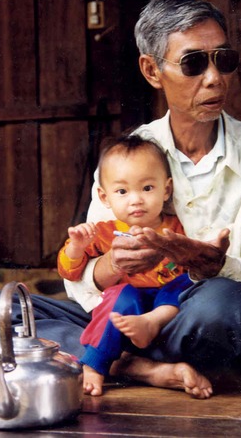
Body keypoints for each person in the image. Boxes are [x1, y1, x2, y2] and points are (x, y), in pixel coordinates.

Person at [0, 0, 241, 396]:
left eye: (224, 60)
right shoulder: (127, 155)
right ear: (151, 70)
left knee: (223, 303)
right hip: (128, 317)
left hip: (201, 322)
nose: (215, 78)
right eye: (194, 62)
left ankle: (107, 360)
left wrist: (217, 266)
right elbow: (85, 281)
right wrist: (111, 263)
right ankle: (146, 369)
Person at [58, 134, 211, 397]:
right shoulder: (104, 232)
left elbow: (195, 264)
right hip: (130, 310)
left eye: (147, 188)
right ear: (105, 198)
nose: (136, 199)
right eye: (122, 191)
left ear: (167, 189)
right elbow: (70, 271)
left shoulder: (177, 228)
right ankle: (95, 364)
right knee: (118, 296)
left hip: (168, 311)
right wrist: (77, 247)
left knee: (186, 283)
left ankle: (151, 322)